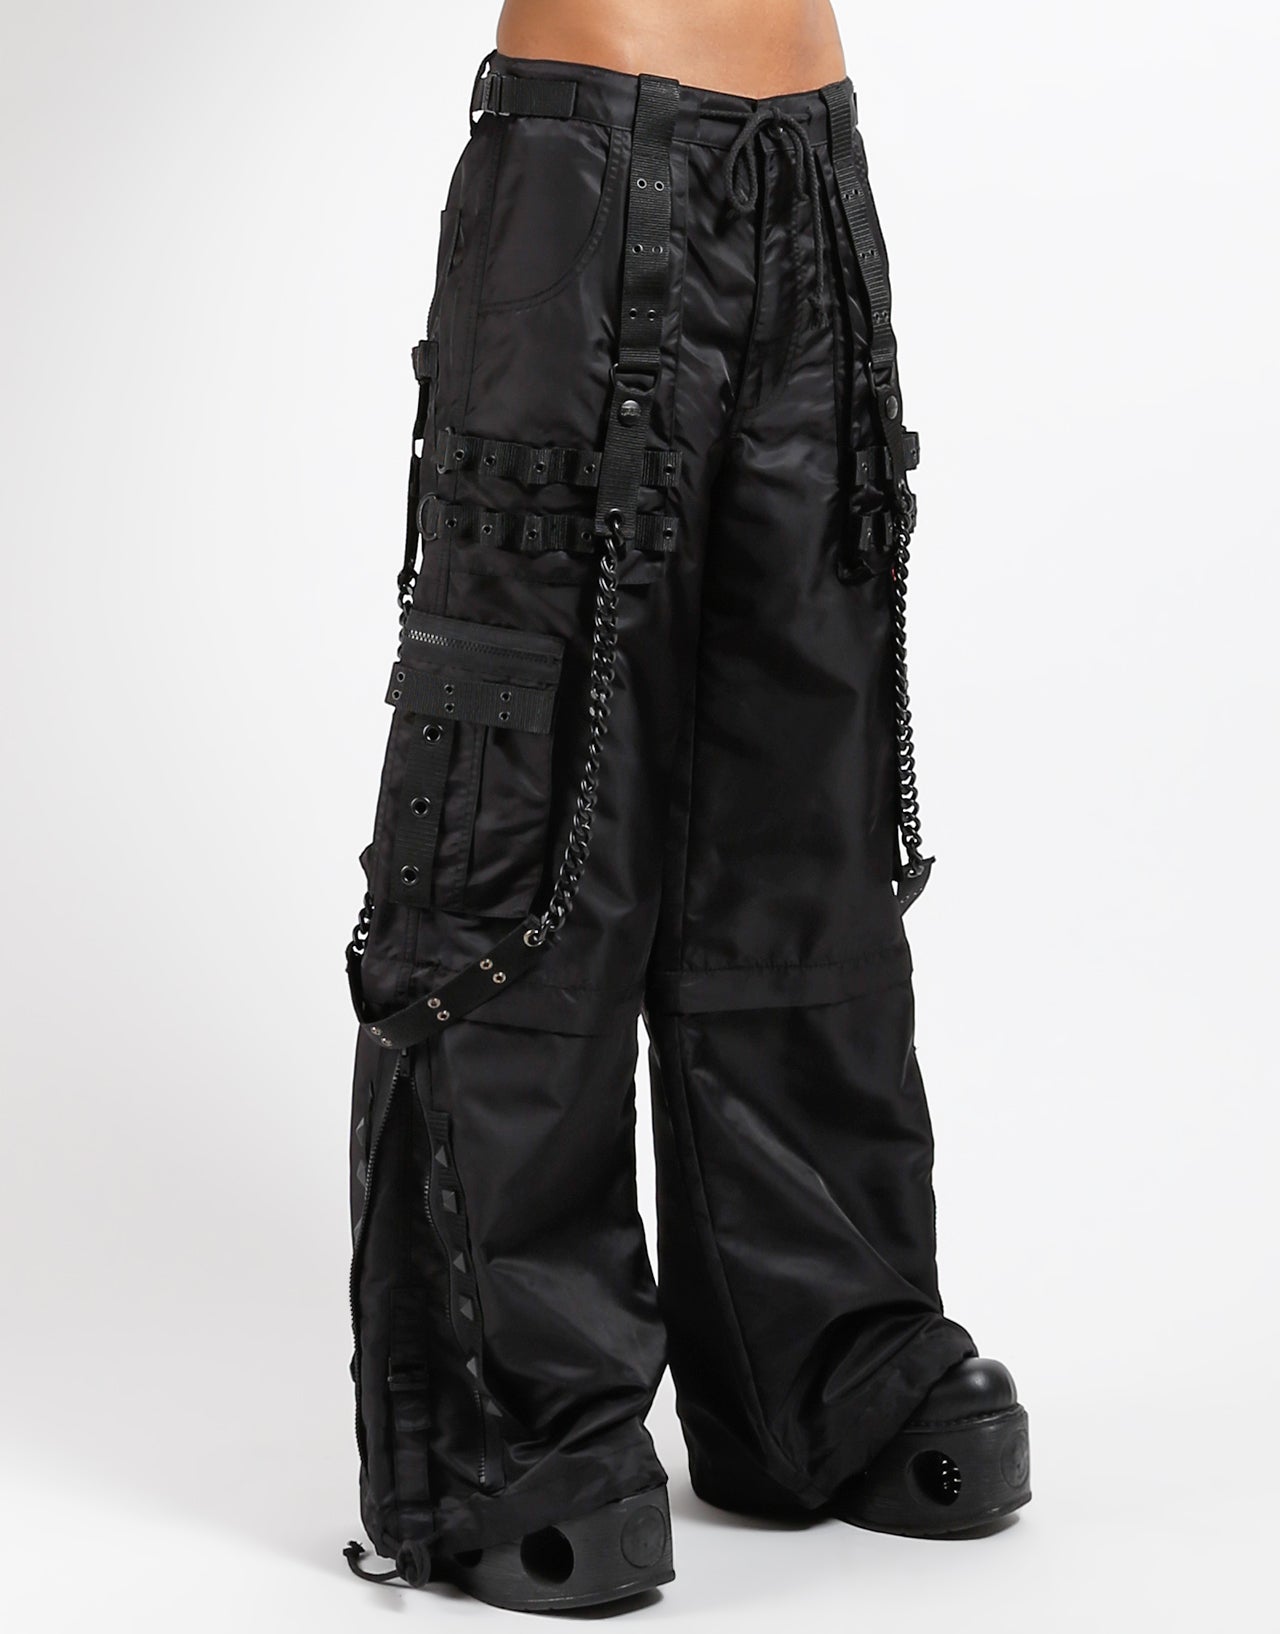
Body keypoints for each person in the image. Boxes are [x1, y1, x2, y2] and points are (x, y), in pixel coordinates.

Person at [343, 0, 1030, 1612]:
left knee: (800, 814)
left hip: (809, 175)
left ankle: (824, 1365)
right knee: (530, 819)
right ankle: (510, 1433)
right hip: (585, 163)